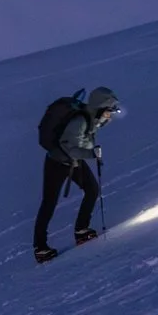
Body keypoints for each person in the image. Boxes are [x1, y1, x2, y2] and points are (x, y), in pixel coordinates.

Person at [34, 86, 120, 263]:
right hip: (56, 164)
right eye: (109, 110)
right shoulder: (80, 120)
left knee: (92, 189)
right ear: (100, 107)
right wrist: (92, 154)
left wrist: (102, 121)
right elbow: (70, 148)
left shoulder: (91, 118)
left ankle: (82, 230)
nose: (110, 114)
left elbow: (86, 137)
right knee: (49, 203)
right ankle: (40, 248)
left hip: (73, 163)